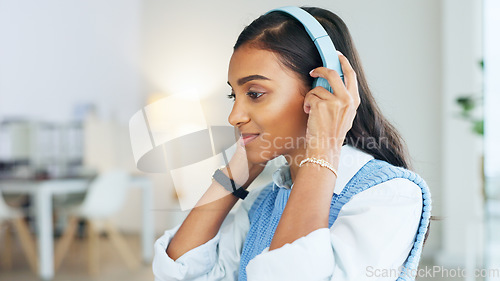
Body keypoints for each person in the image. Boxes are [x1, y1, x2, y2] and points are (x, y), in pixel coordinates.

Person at [152, 6, 431, 281]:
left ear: (324, 91)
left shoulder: (389, 196)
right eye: (233, 96)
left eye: (255, 93)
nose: (234, 116)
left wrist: (323, 145)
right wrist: (234, 176)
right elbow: (179, 272)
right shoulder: (264, 203)